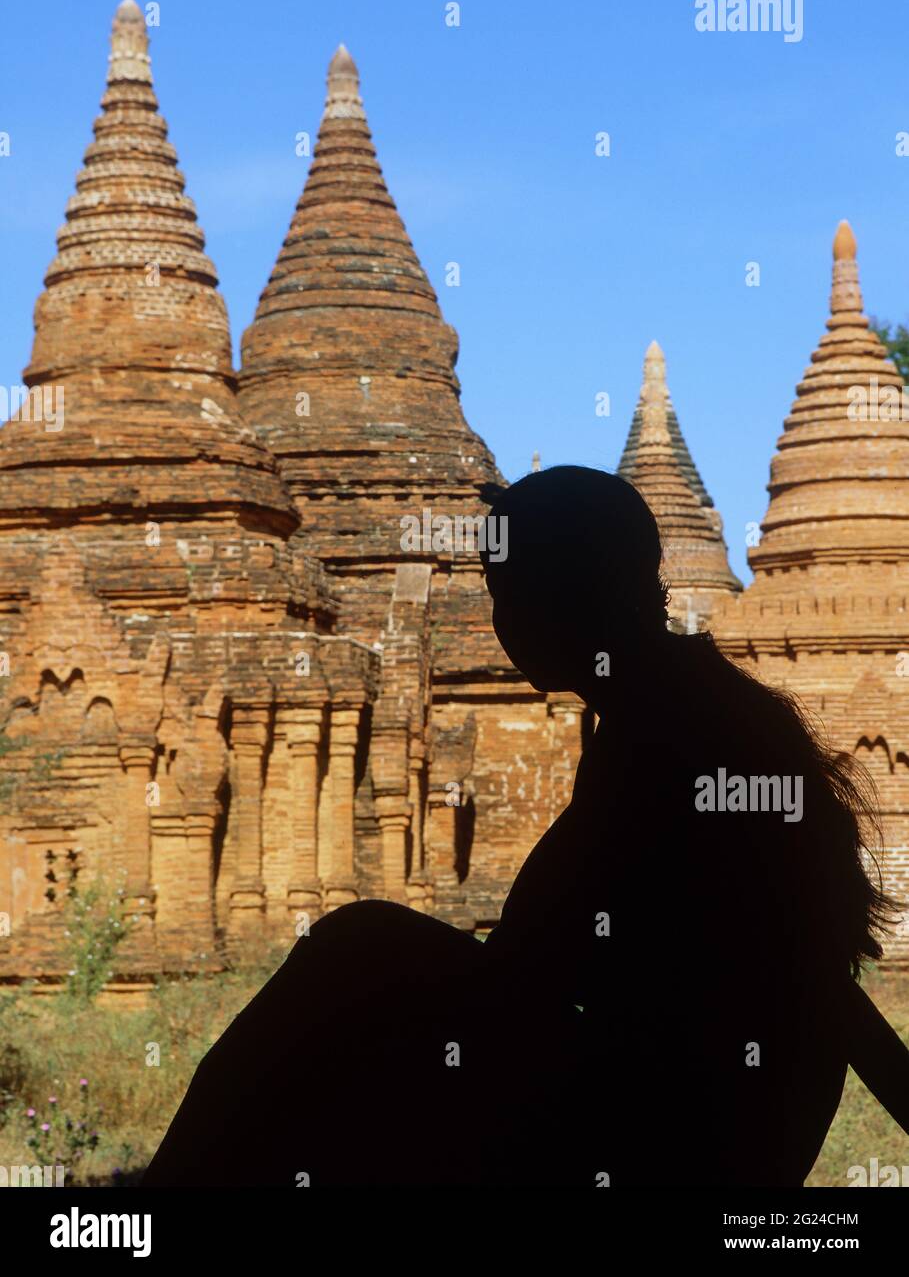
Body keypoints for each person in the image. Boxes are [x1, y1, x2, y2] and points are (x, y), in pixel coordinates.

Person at [142, 466, 908, 1187]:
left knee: (359, 945)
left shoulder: (669, 731)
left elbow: (530, 968)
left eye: (508, 591)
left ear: (574, 591)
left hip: (690, 1122)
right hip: (741, 1116)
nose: (500, 618)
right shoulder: (680, 708)